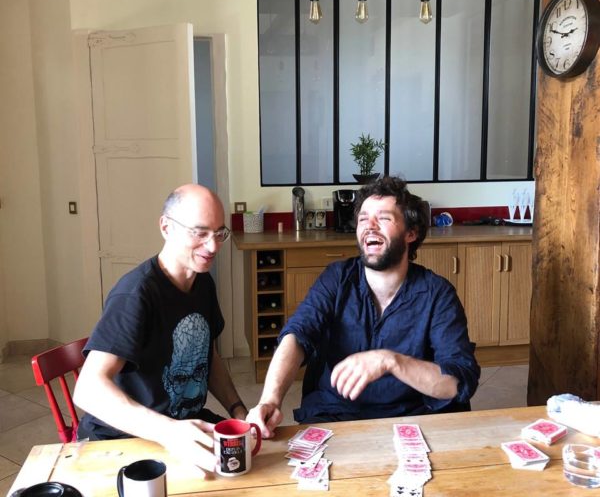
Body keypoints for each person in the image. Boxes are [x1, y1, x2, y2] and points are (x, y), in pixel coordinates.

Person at [247, 176, 480, 438]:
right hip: (337, 413)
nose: (370, 226)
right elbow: (298, 334)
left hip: (413, 417)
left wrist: (390, 361)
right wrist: (269, 400)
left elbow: (457, 383)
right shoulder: (337, 278)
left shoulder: (437, 294)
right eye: (363, 219)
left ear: (411, 233)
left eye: (384, 218)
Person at [74, 184, 247, 472]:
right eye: (200, 233)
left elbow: (208, 356)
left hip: (181, 424)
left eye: (219, 233)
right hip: (123, 437)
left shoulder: (202, 282)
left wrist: (237, 409)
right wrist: (169, 431)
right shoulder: (136, 294)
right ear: (166, 227)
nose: (213, 246)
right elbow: (88, 390)